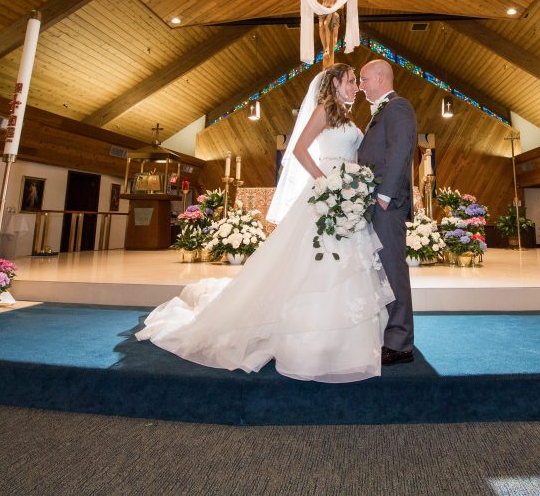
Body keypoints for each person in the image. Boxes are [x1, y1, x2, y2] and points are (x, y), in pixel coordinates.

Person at [136, 64, 394, 383]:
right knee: (315, 263)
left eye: (357, 81)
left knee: (346, 266)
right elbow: (299, 149)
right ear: (336, 83)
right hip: (326, 191)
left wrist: (354, 186)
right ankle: (310, 337)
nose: (356, 85)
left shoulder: (347, 117)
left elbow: (351, 157)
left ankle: (341, 341)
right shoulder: (323, 111)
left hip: (346, 196)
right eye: (352, 80)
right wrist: (325, 183)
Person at [357, 59, 418, 366]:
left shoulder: (398, 107)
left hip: (387, 204)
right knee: (381, 269)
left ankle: (400, 343)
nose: (361, 85)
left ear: (380, 77)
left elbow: (400, 149)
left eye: (364, 79)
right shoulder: (382, 111)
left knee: (392, 268)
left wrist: (383, 196)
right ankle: (390, 334)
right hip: (375, 203)